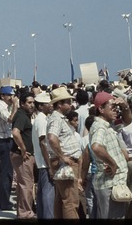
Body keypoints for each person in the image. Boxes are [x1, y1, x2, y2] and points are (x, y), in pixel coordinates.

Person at [89, 90, 131, 219]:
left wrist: (125, 106)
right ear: (101, 109)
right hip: (109, 184)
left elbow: (127, 120)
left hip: (112, 183)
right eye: (112, 108)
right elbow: (96, 146)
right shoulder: (100, 127)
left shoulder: (109, 125)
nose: (116, 111)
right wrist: (113, 164)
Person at [46, 86, 81, 219]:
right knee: (70, 201)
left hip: (63, 161)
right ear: (59, 104)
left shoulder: (59, 118)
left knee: (62, 199)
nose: (70, 104)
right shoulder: (56, 118)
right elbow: (51, 137)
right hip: (66, 162)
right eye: (67, 102)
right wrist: (62, 157)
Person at [10, 91, 36, 219]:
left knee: (23, 184)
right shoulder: (21, 116)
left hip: (21, 154)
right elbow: (15, 133)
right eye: (29, 103)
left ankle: (22, 211)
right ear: (22, 104)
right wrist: (23, 149)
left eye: (33, 102)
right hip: (22, 155)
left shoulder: (23, 115)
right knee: (26, 184)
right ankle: (26, 213)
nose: (32, 105)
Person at [0, 85, 18, 211]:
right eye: (9, 95)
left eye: (12, 95)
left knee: (5, 171)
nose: (11, 98)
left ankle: (0, 200)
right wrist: (15, 106)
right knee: (6, 173)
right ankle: (4, 202)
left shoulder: (3, 106)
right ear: (2, 96)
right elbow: (10, 119)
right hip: (4, 140)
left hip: (6, 139)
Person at [32, 91, 54, 219]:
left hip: (42, 161)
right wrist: (50, 165)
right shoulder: (41, 121)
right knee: (48, 193)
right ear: (40, 106)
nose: (50, 106)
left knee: (42, 192)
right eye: (47, 104)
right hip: (45, 161)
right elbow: (43, 143)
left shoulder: (42, 119)